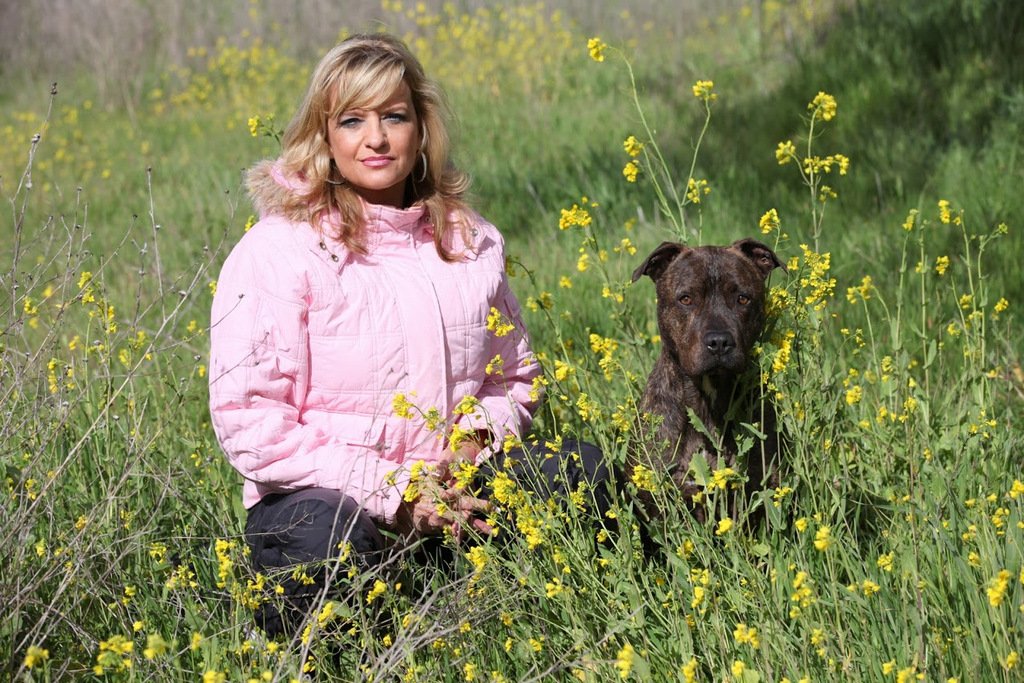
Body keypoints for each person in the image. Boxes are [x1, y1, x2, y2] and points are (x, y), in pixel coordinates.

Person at [208, 33, 610, 637]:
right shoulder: (279, 251)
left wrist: (473, 445)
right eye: (352, 120)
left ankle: (528, 619)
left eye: (394, 116)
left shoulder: (470, 243)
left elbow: (514, 379)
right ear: (324, 135)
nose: (376, 138)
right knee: (320, 541)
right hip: (334, 503)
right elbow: (251, 422)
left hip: (460, 491)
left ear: (420, 128)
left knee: (584, 471)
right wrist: (396, 493)